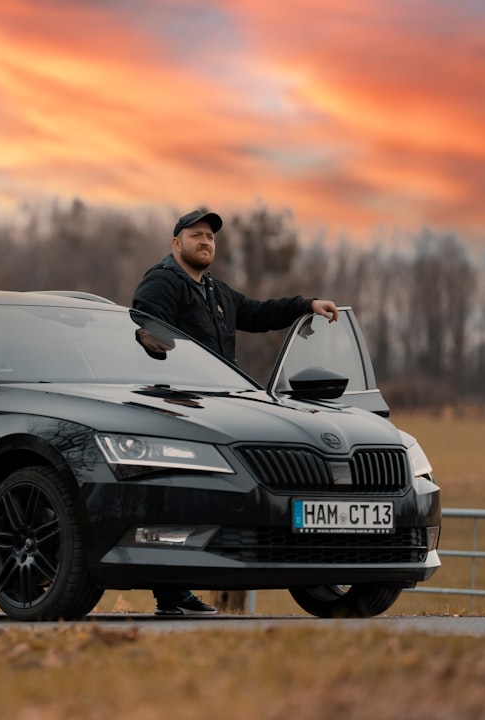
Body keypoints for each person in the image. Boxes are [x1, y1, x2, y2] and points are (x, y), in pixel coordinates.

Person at [132, 207, 339, 616]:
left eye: (210, 236)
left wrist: (305, 304)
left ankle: (183, 589)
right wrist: (150, 340)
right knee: (179, 495)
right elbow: (144, 323)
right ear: (176, 243)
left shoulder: (216, 291)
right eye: (196, 235)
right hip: (176, 404)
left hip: (218, 404)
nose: (206, 241)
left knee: (211, 495)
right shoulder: (162, 282)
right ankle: (171, 595)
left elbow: (259, 313)